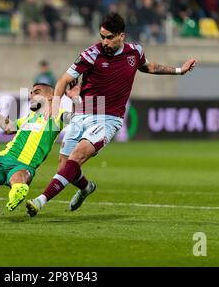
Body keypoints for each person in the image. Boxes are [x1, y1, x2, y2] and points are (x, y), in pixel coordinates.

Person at [26, 12, 197, 217]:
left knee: (78, 156)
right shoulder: (90, 54)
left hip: (109, 118)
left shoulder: (135, 52)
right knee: (64, 166)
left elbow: (149, 67)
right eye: (102, 36)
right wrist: (55, 106)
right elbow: (63, 81)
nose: (104, 41)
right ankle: (86, 187)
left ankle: (40, 201)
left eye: (109, 37)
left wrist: (179, 70)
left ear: (121, 36)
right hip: (83, 112)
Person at [0, 83, 79, 218]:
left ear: (50, 96)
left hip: (23, 165)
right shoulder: (29, 117)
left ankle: (18, 191)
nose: (31, 95)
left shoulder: (56, 117)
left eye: (36, 92)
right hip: (1, 160)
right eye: (31, 93)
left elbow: (78, 118)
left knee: (17, 183)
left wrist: (75, 98)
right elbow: (8, 127)